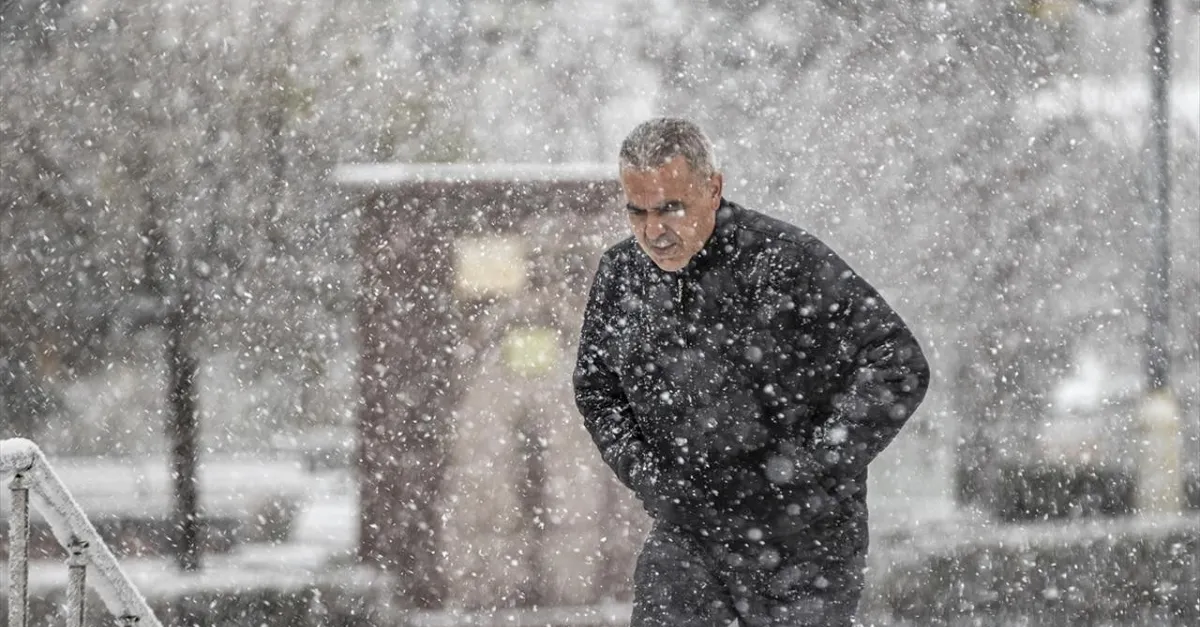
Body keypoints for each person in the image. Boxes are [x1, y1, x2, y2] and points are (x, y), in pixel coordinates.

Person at [573, 118, 930, 626]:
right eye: (638, 211)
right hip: (686, 537)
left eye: (671, 208)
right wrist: (651, 479)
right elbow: (595, 388)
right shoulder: (621, 275)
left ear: (713, 188)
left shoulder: (787, 263)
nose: (654, 230)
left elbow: (897, 362)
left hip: (804, 547)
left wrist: (807, 470)